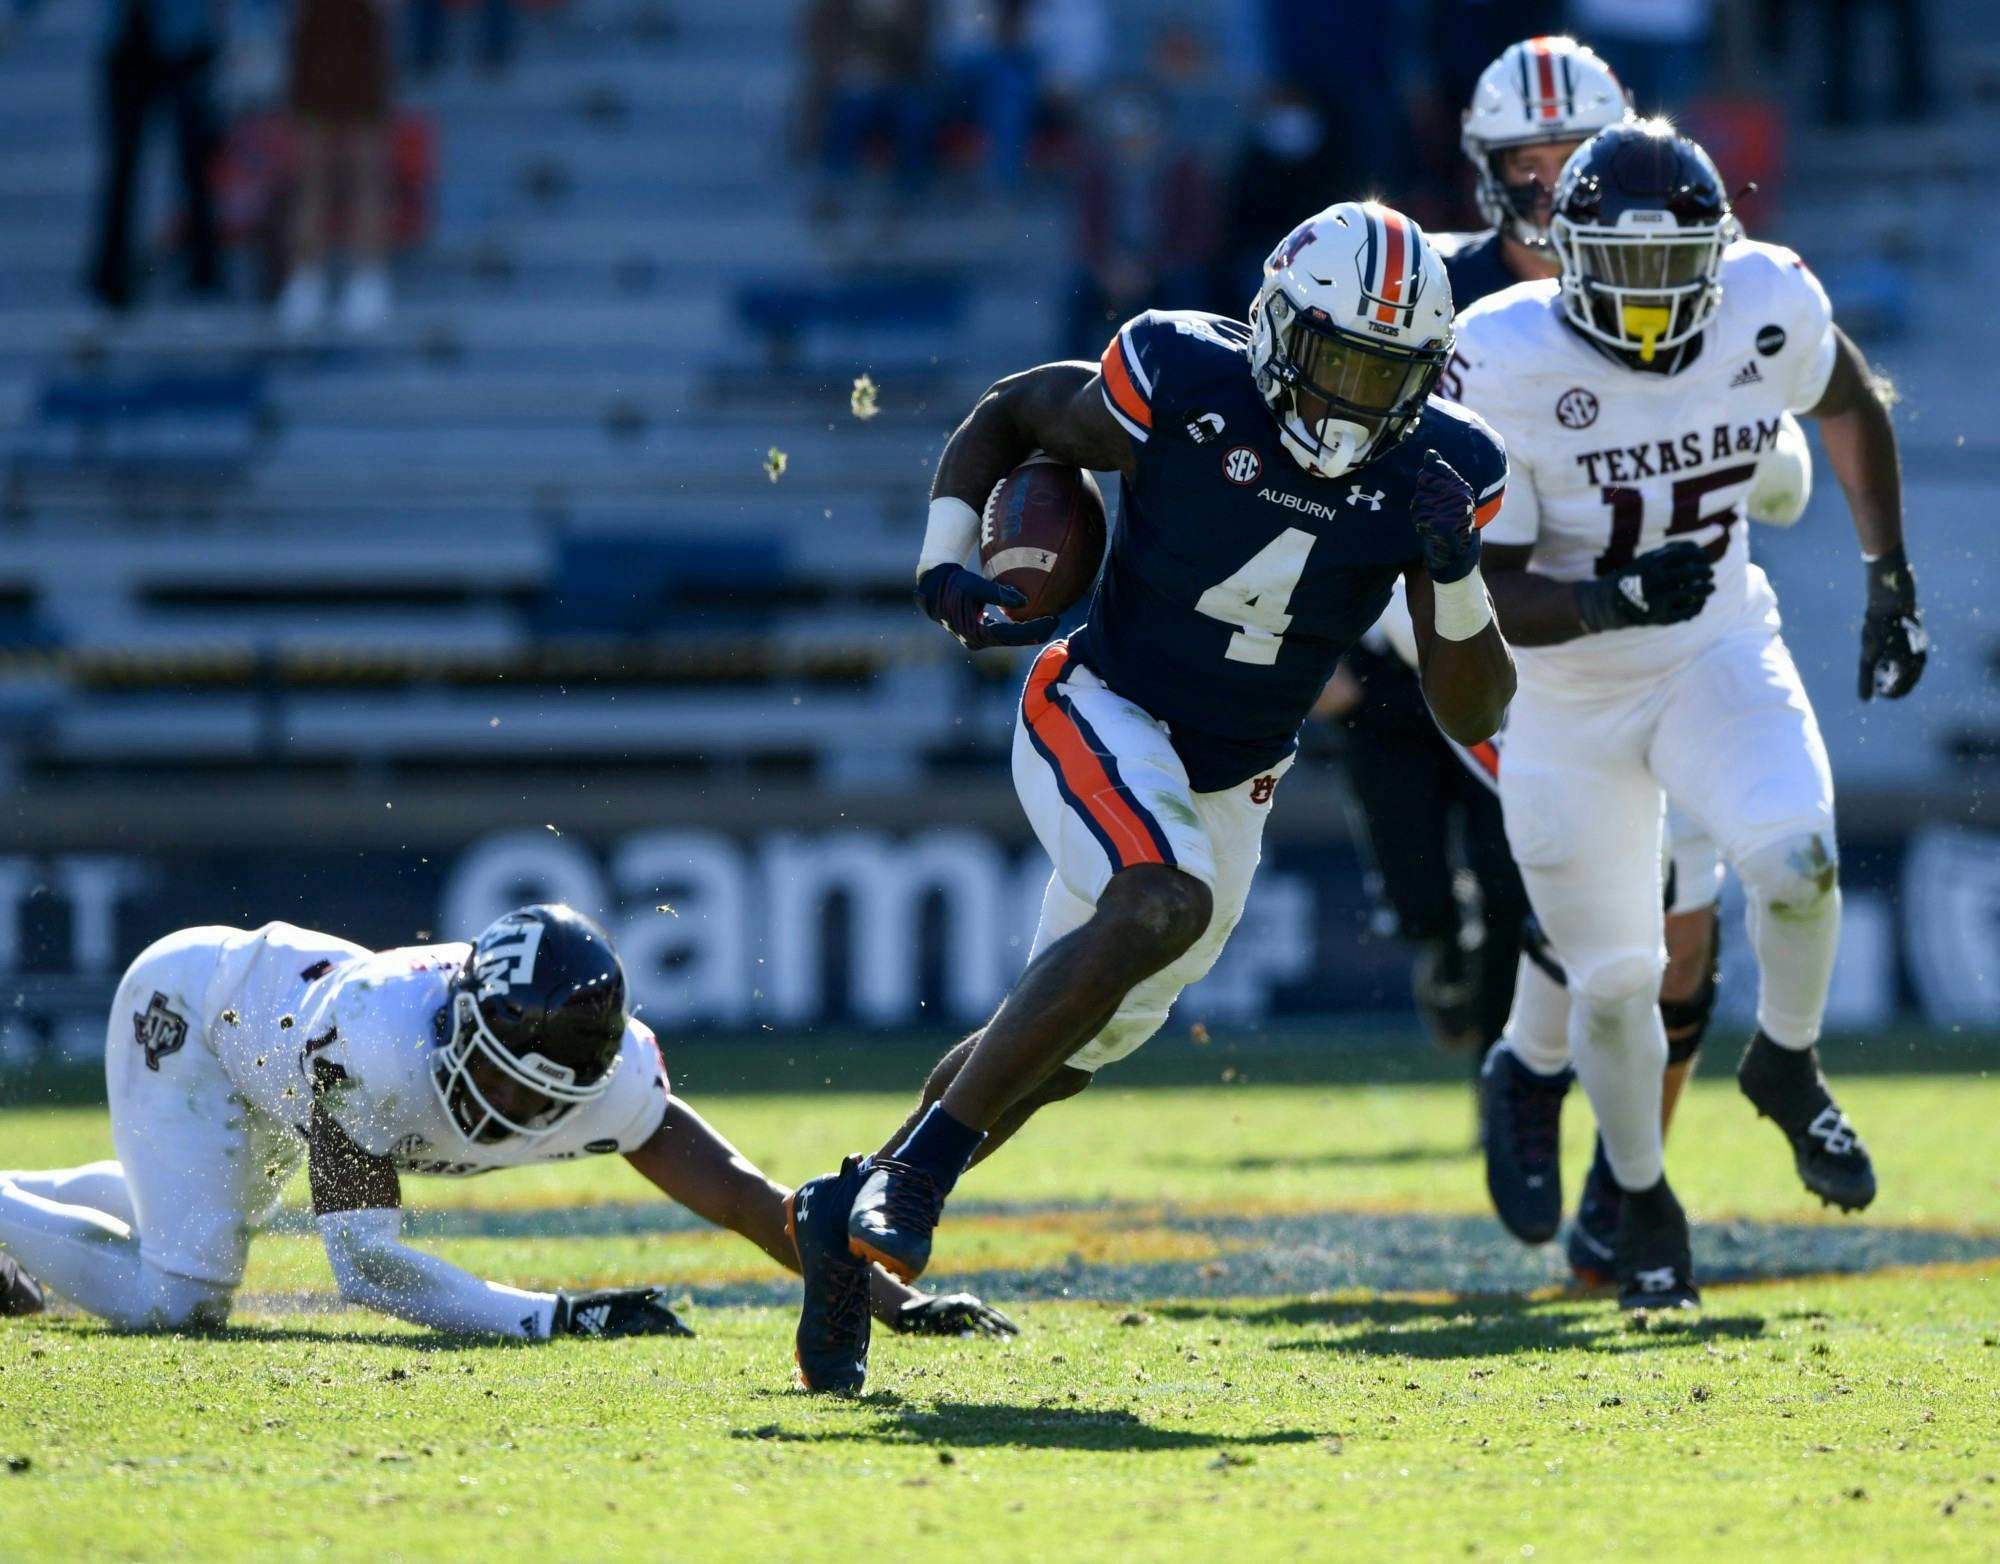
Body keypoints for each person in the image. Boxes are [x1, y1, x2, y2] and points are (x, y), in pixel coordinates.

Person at [786, 199, 1518, 1392]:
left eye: (1386, 375)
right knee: (1160, 899)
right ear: (1276, 328)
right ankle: (915, 1179)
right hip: (1098, 703)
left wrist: (1455, 569)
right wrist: (938, 558)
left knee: (1064, 1047)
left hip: (1234, 776)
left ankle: (845, 1217)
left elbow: (1474, 708)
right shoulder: (1183, 372)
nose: (1353, 400)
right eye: (1336, 361)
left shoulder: (1448, 467)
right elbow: (1010, 412)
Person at [1445, 120, 1927, 1310]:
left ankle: (1786, 1062)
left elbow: (1846, 398)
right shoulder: (1498, 355)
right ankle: (1641, 1197)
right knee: (1615, 978)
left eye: (1676, 265)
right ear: (1565, 254)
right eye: (1628, 266)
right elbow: (1475, 588)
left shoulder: (1765, 295)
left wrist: (1887, 577)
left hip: (1713, 647)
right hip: (1564, 696)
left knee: (1797, 861)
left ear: (1718, 252)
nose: (1654, 295)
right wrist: (1603, 598)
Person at [0, 906, 1014, 1342]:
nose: (509, 1106)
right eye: (491, 1068)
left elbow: (751, 1202)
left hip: (270, 1055)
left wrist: (894, 1304)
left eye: (535, 1094)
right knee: (183, 1296)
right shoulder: (373, 1043)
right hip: (199, 1019)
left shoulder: (617, 1080)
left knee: (189, 1207)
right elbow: (367, 1267)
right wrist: (555, 1317)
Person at [276, 0, 397, 336]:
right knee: (310, 174)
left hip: (361, 37)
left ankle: (369, 278)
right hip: (316, 37)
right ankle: (306, 280)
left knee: (366, 173)